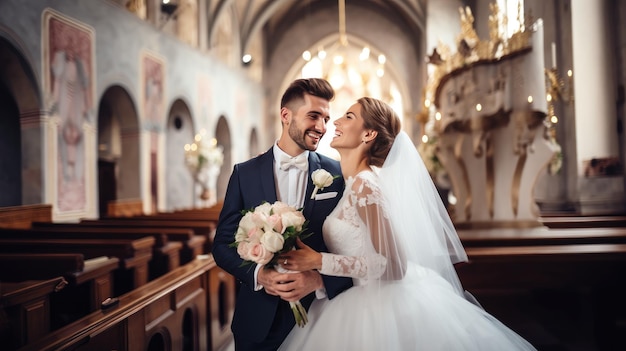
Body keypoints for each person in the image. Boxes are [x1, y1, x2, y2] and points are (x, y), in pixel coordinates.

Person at [278, 97, 537, 350]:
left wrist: (319, 261)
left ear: (368, 135)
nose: (336, 121)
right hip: (354, 298)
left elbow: (393, 265)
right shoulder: (354, 184)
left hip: (377, 307)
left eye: (349, 116)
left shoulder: (364, 186)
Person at [211, 78, 353, 351]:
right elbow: (221, 245)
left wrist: (319, 280)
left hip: (320, 319)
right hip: (257, 322)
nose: (322, 127)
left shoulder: (338, 174)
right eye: (314, 116)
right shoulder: (245, 173)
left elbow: (357, 248)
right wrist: (259, 275)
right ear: (286, 115)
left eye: (326, 118)